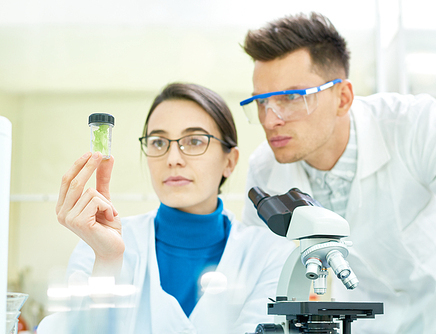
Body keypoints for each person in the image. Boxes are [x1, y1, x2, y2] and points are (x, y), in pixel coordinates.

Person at [239, 12, 436, 334]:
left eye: (291, 98)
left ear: (343, 97)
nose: (270, 119)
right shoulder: (264, 170)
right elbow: (253, 275)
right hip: (363, 324)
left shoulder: (414, 124)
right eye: (260, 102)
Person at [37, 83, 295, 334]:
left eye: (194, 141)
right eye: (158, 142)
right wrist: (107, 261)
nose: (173, 159)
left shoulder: (270, 256)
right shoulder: (96, 246)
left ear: (230, 161)